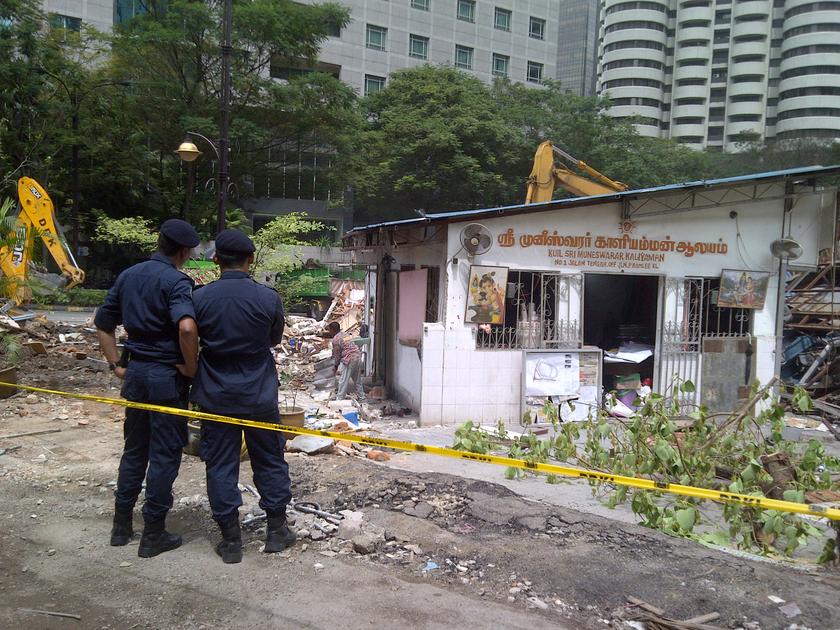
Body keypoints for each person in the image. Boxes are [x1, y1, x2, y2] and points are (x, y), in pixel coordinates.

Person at [95, 218, 200, 558]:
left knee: (135, 450)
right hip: (166, 377)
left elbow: (103, 324)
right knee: (165, 454)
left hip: (136, 374)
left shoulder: (129, 276)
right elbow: (186, 327)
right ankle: (153, 533)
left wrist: (116, 366)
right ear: (183, 251)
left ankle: (121, 526)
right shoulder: (176, 282)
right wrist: (191, 366)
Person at [190, 229, 294, 564]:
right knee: (270, 460)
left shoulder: (199, 298)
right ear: (251, 260)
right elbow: (274, 339)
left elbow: (190, 335)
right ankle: (277, 531)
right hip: (260, 394)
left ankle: (231, 541)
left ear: (217, 259)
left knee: (220, 464)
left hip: (216, 393)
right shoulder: (268, 298)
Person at [329, 321, 364, 399]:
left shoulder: (336, 339)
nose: (329, 332)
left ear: (332, 330)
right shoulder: (345, 334)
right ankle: (362, 397)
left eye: (329, 330)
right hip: (357, 356)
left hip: (349, 359)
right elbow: (349, 345)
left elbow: (337, 355)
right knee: (357, 380)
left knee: (343, 380)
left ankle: (339, 398)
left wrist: (335, 366)